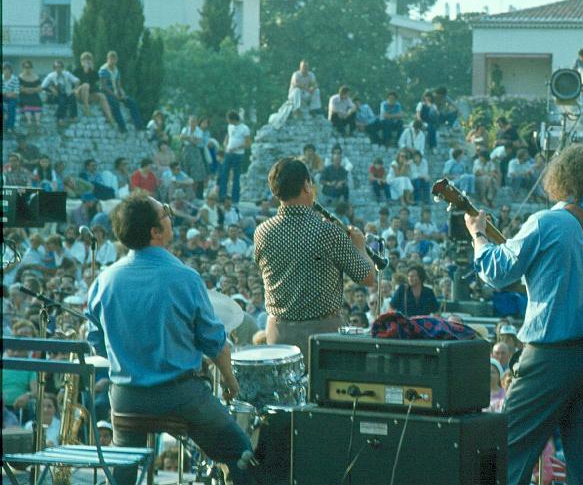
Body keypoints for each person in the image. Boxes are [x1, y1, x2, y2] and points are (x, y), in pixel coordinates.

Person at [464, 144, 583, 485]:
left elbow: (497, 271)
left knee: (510, 457)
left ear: (560, 180)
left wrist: (477, 234)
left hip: (550, 360)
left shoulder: (546, 223)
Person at [86, 194, 254, 485]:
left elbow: (98, 343)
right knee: (242, 454)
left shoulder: (104, 280)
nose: (170, 215)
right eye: (165, 212)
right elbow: (215, 344)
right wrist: (231, 383)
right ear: (155, 232)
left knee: (122, 474)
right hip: (181, 397)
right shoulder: (185, 278)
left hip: (127, 399)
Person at [253, 158, 375, 360]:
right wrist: (360, 247)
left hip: (278, 336)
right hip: (323, 335)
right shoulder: (328, 231)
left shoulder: (261, 232)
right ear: (307, 186)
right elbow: (367, 278)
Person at [98, 51, 144, 132]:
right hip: (107, 93)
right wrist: (114, 96)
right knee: (115, 104)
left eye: (114, 59)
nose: (112, 61)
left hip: (116, 93)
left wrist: (122, 94)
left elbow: (118, 85)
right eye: (111, 59)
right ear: (108, 59)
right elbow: (104, 86)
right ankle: (122, 126)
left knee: (131, 102)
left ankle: (139, 124)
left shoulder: (116, 71)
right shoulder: (103, 70)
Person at [218, 110, 251, 204]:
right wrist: (225, 145)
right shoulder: (230, 126)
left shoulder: (244, 128)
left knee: (236, 176)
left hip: (238, 154)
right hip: (229, 153)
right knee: (224, 174)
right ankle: (222, 196)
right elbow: (228, 137)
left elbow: (248, 143)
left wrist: (236, 148)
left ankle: (235, 198)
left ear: (233, 119)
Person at [73, 51, 114, 122]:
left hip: (88, 94)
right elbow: (77, 85)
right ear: (81, 62)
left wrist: (91, 72)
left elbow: (96, 87)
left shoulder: (94, 73)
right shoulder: (77, 71)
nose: (87, 62)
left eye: (89, 60)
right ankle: (86, 109)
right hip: (78, 93)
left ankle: (109, 117)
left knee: (101, 95)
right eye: (85, 60)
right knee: (86, 85)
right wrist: (85, 71)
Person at [41, 59, 79, 126]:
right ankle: (60, 119)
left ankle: (73, 116)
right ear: (54, 68)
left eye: (60, 67)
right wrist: (51, 88)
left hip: (66, 92)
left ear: (62, 67)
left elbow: (77, 81)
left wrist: (75, 89)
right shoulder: (50, 76)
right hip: (56, 94)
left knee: (73, 97)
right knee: (62, 101)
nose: (58, 69)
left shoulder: (67, 74)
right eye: (56, 67)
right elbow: (43, 86)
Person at [18, 59, 44, 132]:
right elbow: (20, 89)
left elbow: (40, 88)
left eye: (29, 67)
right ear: (23, 68)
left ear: (31, 67)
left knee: (37, 102)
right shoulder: (20, 77)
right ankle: (29, 121)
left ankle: (38, 122)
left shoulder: (35, 76)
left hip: (34, 95)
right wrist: (31, 90)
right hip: (24, 95)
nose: (27, 69)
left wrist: (31, 90)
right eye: (25, 67)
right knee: (26, 103)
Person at [2, 62, 20, 134]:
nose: (6, 71)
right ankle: (4, 126)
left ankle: (10, 127)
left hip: (12, 98)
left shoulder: (15, 79)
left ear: (10, 70)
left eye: (7, 69)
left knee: (11, 107)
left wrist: (6, 93)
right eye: (4, 69)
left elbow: (16, 92)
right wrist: (7, 93)